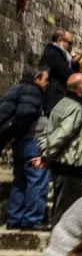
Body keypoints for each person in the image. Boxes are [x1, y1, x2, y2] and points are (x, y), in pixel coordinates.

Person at [0, 67, 50, 230]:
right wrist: (19, 131)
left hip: (21, 142)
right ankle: (32, 219)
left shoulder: (17, 88)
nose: (47, 83)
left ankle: (14, 218)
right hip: (32, 140)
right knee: (37, 179)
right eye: (45, 79)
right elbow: (26, 113)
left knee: (20, 180)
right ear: (36, 77)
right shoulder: (32, 90)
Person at [38, 73, 82, 225]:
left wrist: (46, 153)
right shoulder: (76, 107)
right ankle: (59, 245)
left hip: (61, 165)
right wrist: (47, 155)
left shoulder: (60, 104)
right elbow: (61, 135)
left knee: (61, 209)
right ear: (81, 88)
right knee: (67, 213)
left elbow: (47, 132)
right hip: (69, 166)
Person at [38, 29, 82, 115]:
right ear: (59, 40)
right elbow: (69, 75)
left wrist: (75, 63)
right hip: (53, 97)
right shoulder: (53, 53)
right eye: (69, 43)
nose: (71, 46)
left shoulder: (60, 54)